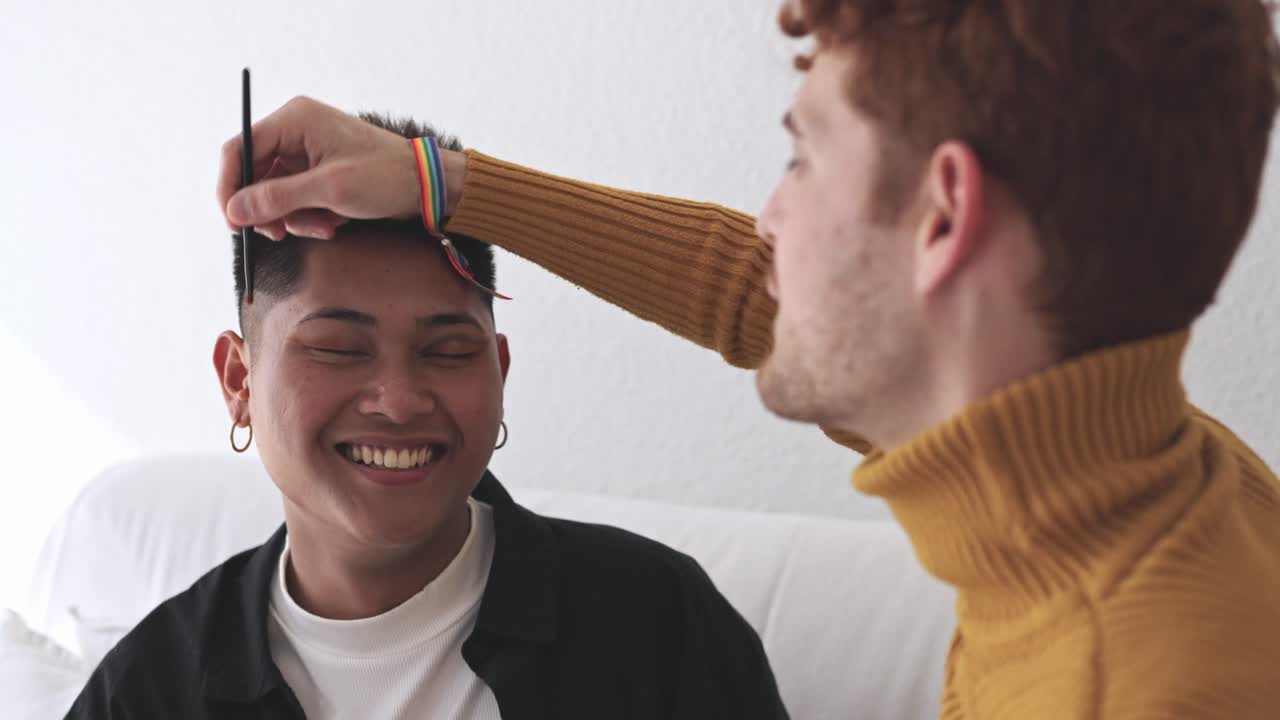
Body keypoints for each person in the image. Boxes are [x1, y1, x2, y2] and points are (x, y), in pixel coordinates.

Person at [216, 1, 1280, 717]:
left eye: (800, 156)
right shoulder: (1155, 474)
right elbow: (750, 293)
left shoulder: (1131, 683)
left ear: (943, 220)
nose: (766, 221)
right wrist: (435, 183)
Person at [66, 115, 789, 720]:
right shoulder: (147, 691)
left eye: (447, 351)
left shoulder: (653, 623)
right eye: (338, 349)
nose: (401, 399)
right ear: (238, 380)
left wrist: (452, 184)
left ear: (499, 374)